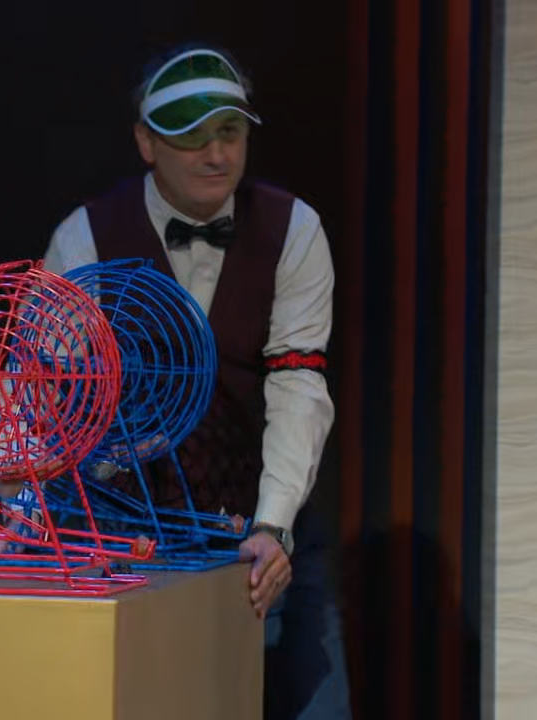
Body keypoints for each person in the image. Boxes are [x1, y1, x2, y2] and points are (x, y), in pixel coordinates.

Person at [42, 44, 348, 719]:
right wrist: (24, 508)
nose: (216, 155)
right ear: (145, 142)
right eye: (191, 136)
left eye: (230, 132)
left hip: (261, 520)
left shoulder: (294, 230)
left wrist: (273, 526)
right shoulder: (85, 237)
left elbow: (298, 385)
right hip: (130, 533)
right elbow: (44, 390)